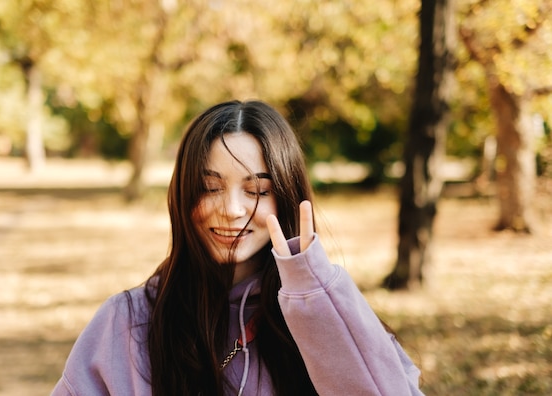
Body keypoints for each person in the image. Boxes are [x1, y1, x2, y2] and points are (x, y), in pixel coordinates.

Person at [51, 100, 423, 395]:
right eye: (210, 187)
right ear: (183, 194)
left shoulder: (330, 310)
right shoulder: (127, 322)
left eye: (257, 191)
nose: (231, 210)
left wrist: (312, 293)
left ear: (285, 196)